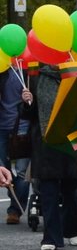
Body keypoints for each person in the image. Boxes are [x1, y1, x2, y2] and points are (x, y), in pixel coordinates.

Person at [26, 63, 77, 250]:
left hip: (71, 139)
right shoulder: (36, 76)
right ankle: (50, 237)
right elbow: (28, 114)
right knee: (48, 190)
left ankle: (72, 230)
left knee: (72, 190)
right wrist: (27, 101)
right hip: (46, 139)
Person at [1, 62, 28, 223]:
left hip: (22, 127)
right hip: (1, 128)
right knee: (3, 170)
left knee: (22, 172)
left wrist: (28, 98)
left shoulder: (26, 73)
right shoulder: (1, 71)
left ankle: (15, 210)